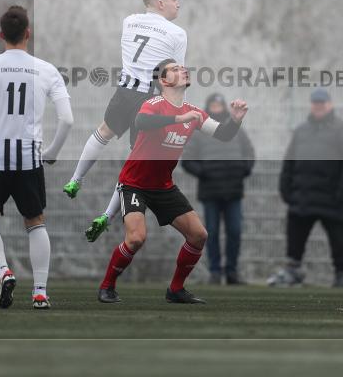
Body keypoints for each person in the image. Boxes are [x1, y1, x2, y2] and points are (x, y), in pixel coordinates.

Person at [97, 59, 248, 304]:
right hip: (134, 182)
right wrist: (179, 120)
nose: (183, 70)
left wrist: (236, 119)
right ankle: (107, 286)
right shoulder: (153, 104)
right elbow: (141, 122)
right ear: (164, 81)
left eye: (183, 68)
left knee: (199, 235)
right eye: (176, 69)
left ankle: (176, 290)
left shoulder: (194, 112)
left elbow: (224, 134)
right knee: (136, 238)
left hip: (162, 186)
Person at [0, 6, 73, 309]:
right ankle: (40, 292)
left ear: (1, 35)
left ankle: (4, 271)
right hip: (29, 157)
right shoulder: (47, 69)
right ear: (29, 33)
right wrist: (50, 153)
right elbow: (67, 120)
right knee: (35, 220)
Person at [63, 0, 186, 201]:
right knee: (137, 157)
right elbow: (175, 76)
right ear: (160, 3)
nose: (178, 3)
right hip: (150, 99)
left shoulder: (129, 21)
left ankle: (75, 179)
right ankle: (108, 215)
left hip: (125, 92)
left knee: (102, 132)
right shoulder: (178, 33)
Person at [267, 89, 343, 288]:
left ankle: (341, 274)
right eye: (315, 103)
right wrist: (285, 189)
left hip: (331, 198)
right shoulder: (301, 130)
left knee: (337, 240)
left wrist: (341, 193)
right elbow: (288, 162)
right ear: (311, 105)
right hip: (302, 196)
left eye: (322, 103)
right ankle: (293, 271)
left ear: (330, 104)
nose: (318, 106)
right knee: (295, 239)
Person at [181, 93, 256, 285]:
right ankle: (215, 272)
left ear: (224, 107)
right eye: (212, 105)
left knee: (235, 231)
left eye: (218, 105)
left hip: (233, 190)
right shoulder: (199, 132)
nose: (216, 108)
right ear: (208, 107)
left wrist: (243, 170)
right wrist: (204, 173)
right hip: (210, 191)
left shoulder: (237, 130)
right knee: (211, 232)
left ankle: (232, 272)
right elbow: (187, 161)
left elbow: (249, 153)